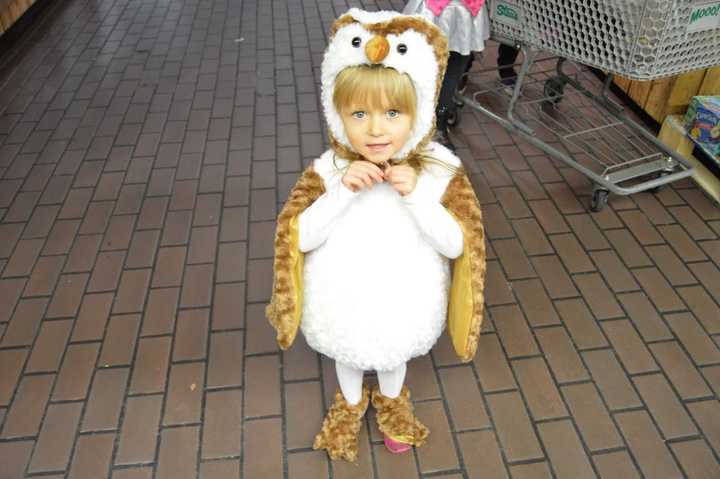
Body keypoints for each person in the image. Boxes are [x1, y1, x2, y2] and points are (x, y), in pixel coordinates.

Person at [266, 9, 487, 463]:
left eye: (392, 112)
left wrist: (417, 198)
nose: (375, 128)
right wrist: (341, 193)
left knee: (392, 354)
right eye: (359, 113)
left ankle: (391, 399)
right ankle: (348, 402)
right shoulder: (329, 169)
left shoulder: (439, 171)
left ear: (421, 109)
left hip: (403, 299)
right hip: (341, 298)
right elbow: (298, 237)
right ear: (336, 112)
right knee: (346, 352)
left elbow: (457, 244)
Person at [404, 0, 490, 151]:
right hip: (437, 10)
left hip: (465, 10)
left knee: (452, 72)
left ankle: (440, 119)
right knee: (423, 66)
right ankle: (418, 115)